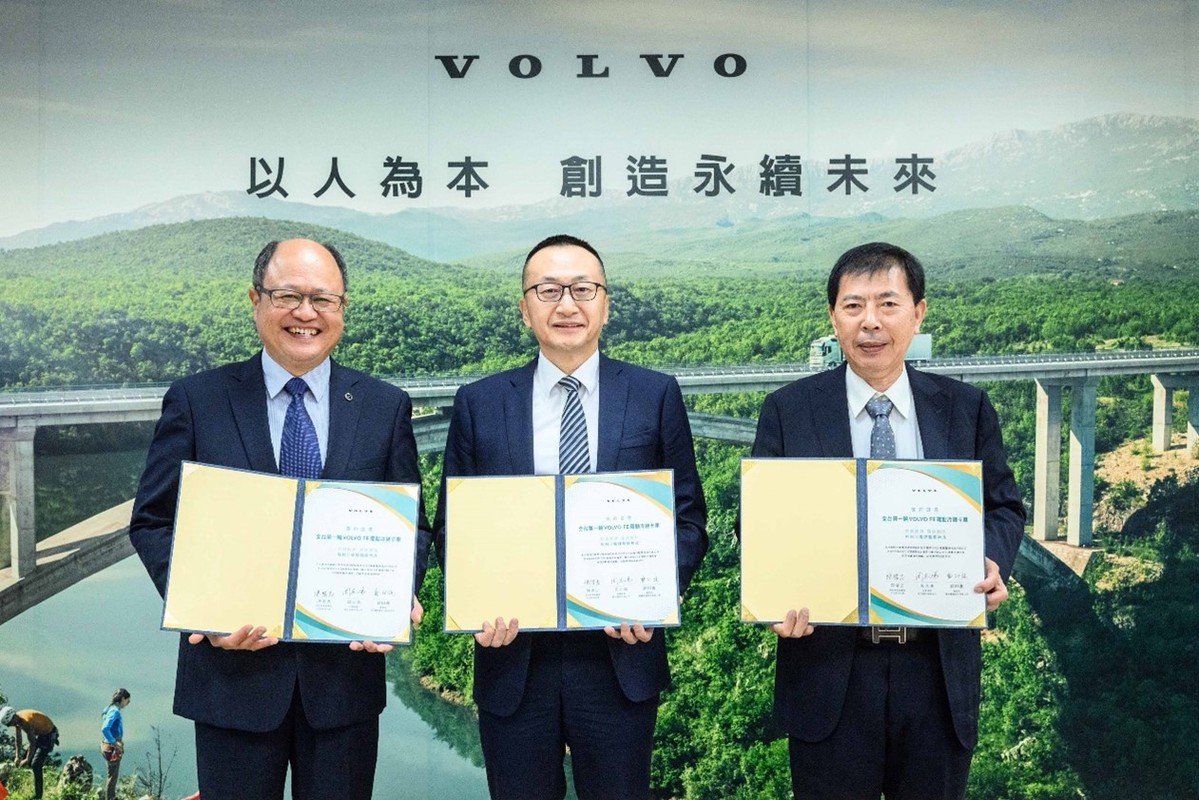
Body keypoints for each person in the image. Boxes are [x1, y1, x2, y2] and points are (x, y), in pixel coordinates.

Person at [129, 238, 431, 800]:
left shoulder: (384, 406)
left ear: (342, 308)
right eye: (288, 296)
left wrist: (395, 595)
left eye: (323, 299)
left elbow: (413, 526)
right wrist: (203, 609)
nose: (306, 313)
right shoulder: (197, 400)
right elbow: (153, 521)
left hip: (343, 686)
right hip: (229, 682)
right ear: (256, 300)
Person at [434, 234, 708, 800]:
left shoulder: (655, 394)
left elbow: (688, 520)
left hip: (620, 657)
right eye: (548, 290)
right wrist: (477, 599)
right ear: (524, 307)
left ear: (605, 304)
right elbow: (452, 529)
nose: (567, 305)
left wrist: (655, 593)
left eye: (583, 290)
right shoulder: (479, 403)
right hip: (513, 657)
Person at [750, 242, 1025, 800]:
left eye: (888, 304)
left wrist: (993, 560)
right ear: (833, 318)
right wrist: (773, 593)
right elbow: (758, 523)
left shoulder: (965, 407)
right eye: (853, 306)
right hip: (828, 670)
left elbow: (1003, 507)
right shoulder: (788, 410)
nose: (870, 321)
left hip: (937, 672)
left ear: (918, 313)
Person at [0, 706, 57, 800]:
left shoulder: (26, 722)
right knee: (27, 761)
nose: (10, 726)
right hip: (41, 735)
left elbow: (32, 743)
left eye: (10, 723)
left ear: (13, 717)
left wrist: (27, 759)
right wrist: (17, 756)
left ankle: (38, 796)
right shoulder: (18, 720)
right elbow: (18, 739)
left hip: (49, 734)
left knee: (36, 764)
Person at [100, 688, 131, 800]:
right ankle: (110, 798)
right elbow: (105, 728)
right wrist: (115, 742)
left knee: (111, 774)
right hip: (111, 748)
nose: (127, 703)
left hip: (105, 745)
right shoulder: (115, 712)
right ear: (122, 699)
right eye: (127, 700)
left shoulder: (108, 708)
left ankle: (109, 796)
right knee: (112, 777)